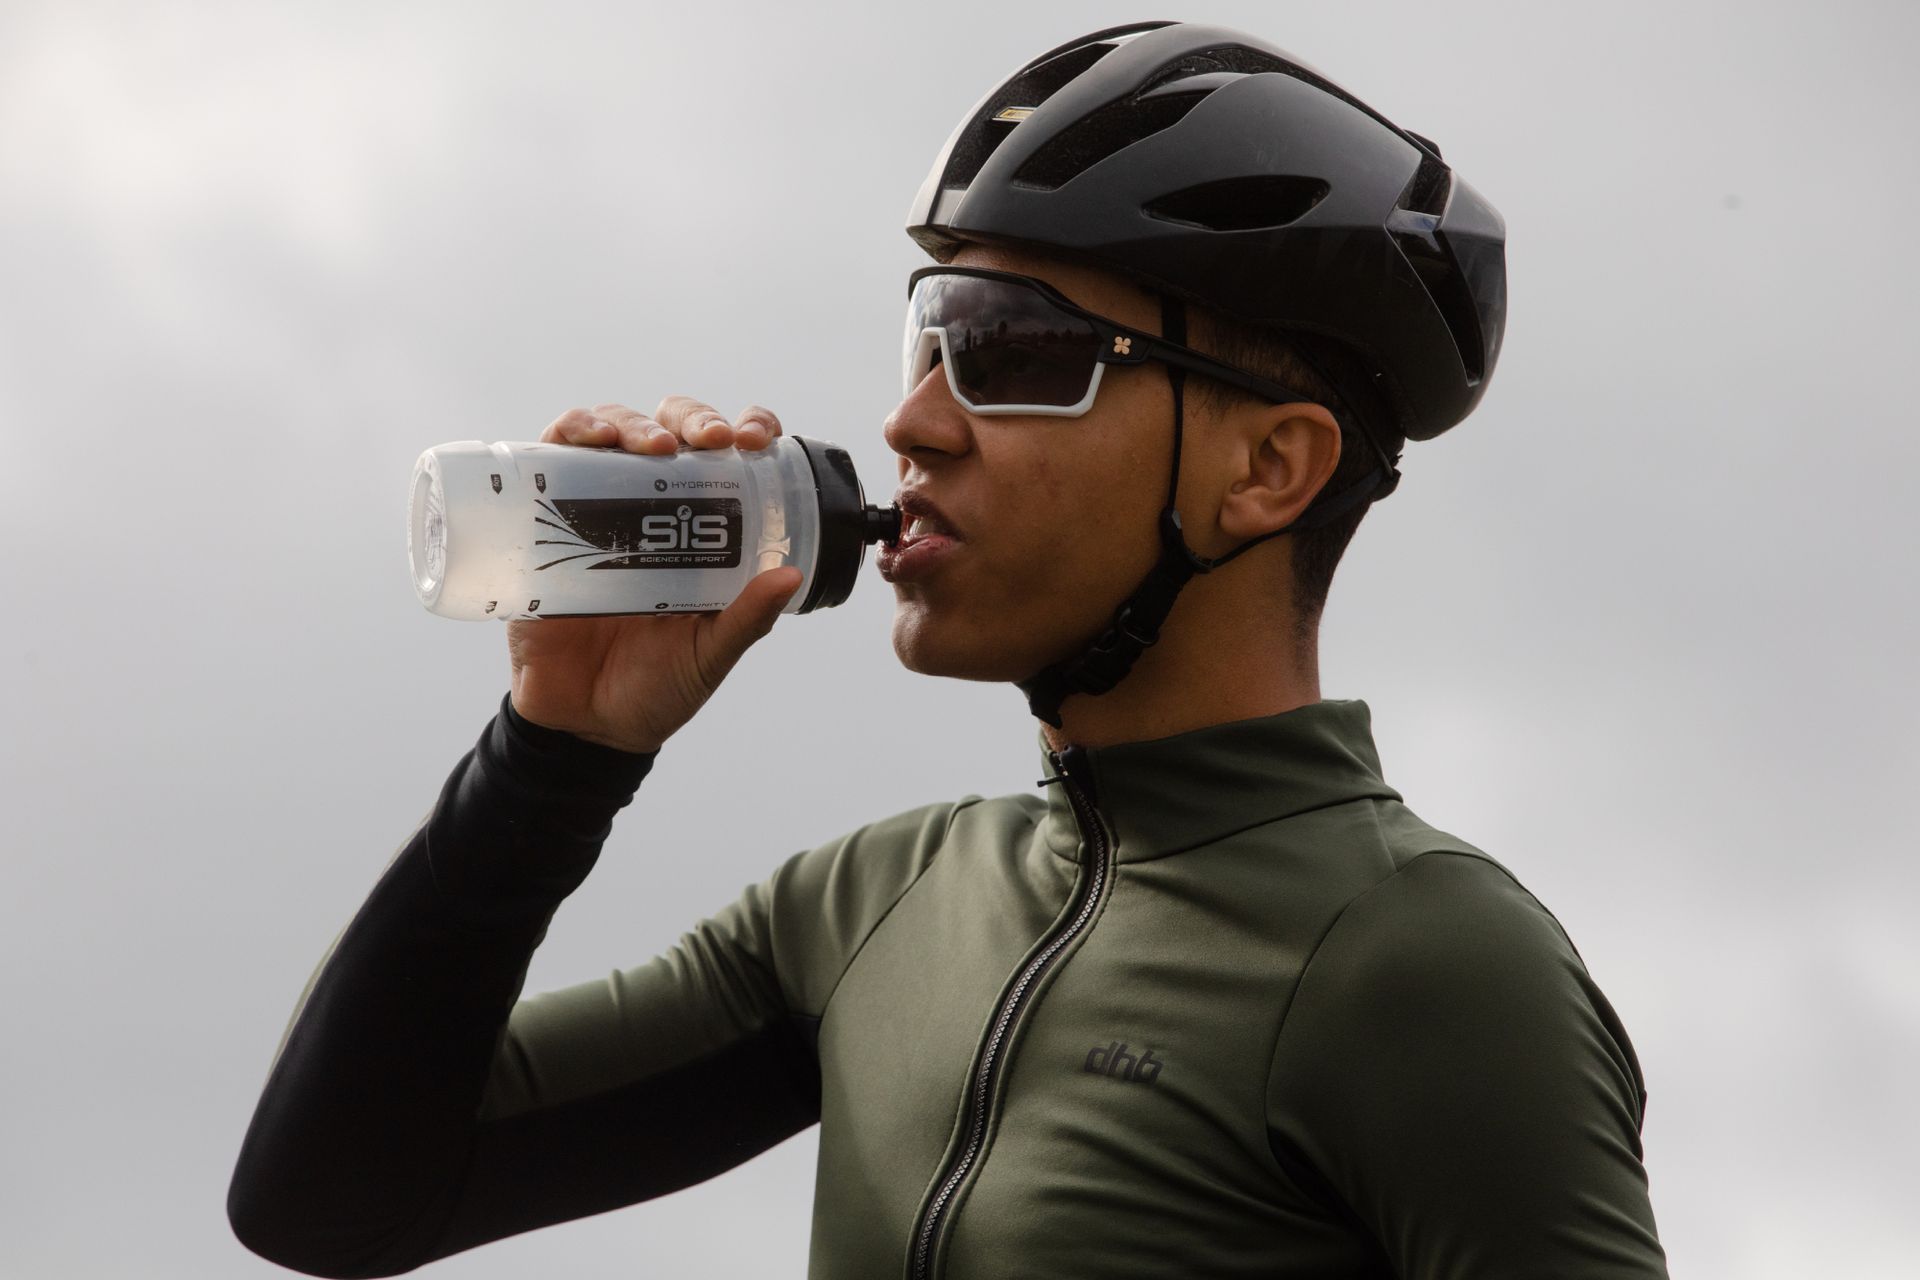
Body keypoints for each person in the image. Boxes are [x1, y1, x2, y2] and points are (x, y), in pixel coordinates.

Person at [229, 20, 1668, 1279]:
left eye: (1012, 350)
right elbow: (332, 1201)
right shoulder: (873, 907)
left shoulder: (1428, 962)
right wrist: (556, 755)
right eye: (927, 338)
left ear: (1267, 469)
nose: (915, 420)